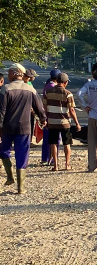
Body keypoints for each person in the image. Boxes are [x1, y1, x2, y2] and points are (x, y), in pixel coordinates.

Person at [0, 64, 47, 194]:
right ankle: (21, 187)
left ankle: (10, 176)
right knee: (22, 154)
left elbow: (1, 111)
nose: (8, 75)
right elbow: (39, 107)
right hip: (24, 127)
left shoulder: (6, 89)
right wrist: (43, 118)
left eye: (9, 72)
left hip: (7, 127)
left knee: (4, 150)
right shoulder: (30, 89)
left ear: (15, 73)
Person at [44, 72, 81, 171]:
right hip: (64, 123)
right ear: (65, 82)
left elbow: (45, 108)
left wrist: (45, 120)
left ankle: (55, 165)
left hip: (52, 122)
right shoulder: (68, 94)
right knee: (66, 143)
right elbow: (72, 110)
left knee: (53, 143)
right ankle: (67, 164)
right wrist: (77, 123)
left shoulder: (48, 92)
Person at [40, 68, 63, 165]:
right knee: (55, 139)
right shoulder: (54, 88)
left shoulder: (47, 86)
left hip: (47, 114)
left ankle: (45, 158)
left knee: (46, 138)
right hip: (54, 115)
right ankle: (53, 159)